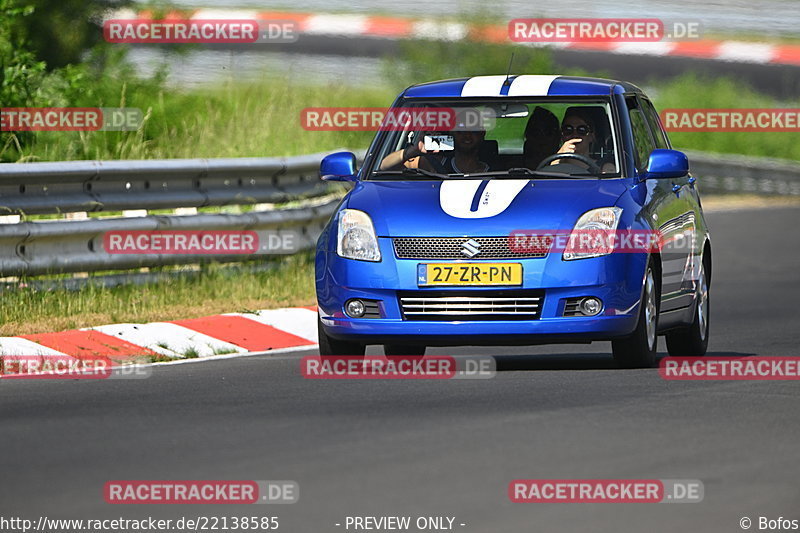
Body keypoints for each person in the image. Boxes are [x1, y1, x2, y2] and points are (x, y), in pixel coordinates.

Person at [379, 110, 491, 174]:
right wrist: (414, 150)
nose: (467, 135)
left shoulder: (501, 170)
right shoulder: (433, 164)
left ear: (482, 133)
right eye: (461, 130)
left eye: (473, 130)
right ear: (452, 133)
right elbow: (384, 167)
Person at [552, 106, 615, 172]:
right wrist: (558, 157)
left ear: (591, 136)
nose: (575, 135)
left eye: (582, 130)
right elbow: (547, 178)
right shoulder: (553, 164)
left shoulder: (603, 168)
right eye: (568, 130)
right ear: (562, 135)